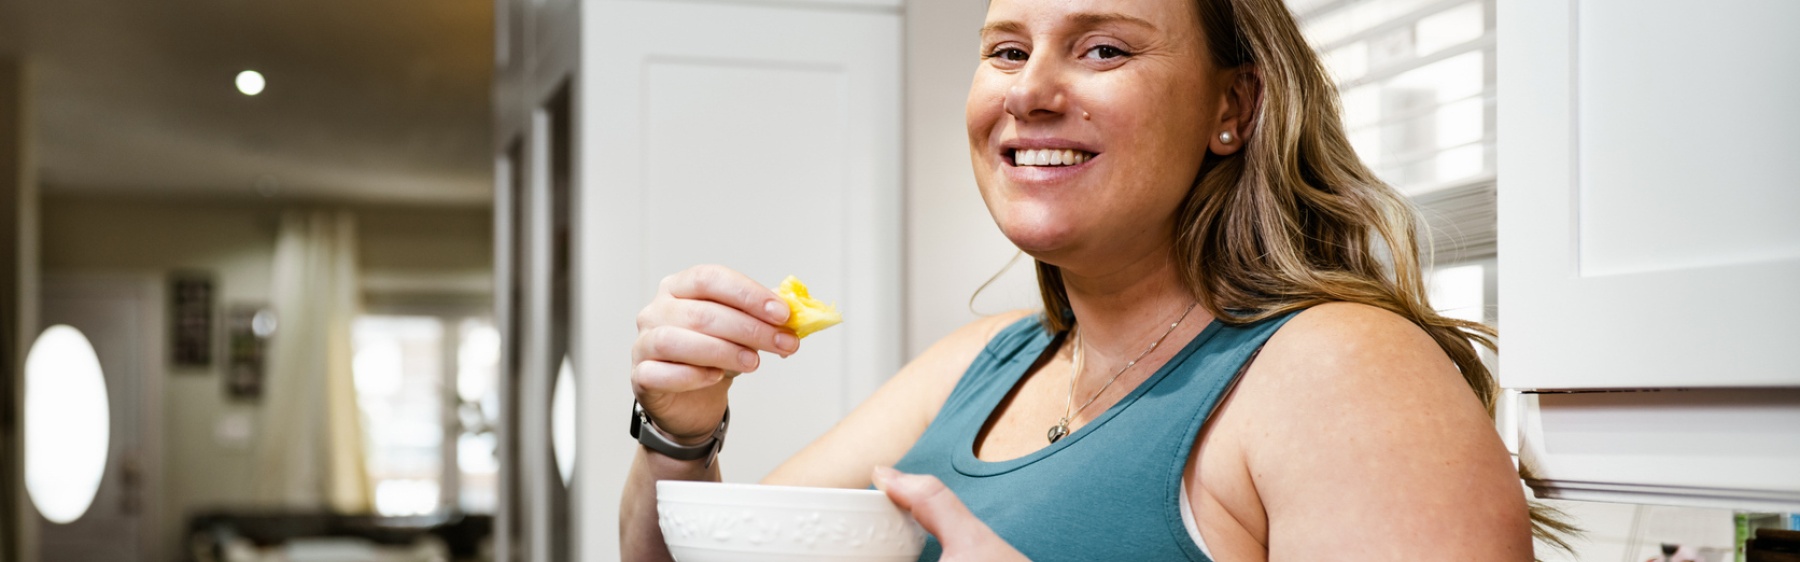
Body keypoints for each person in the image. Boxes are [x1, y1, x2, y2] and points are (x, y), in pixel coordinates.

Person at [621, 0, 1569, 559]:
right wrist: (678, 426)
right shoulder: (980, 362)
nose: (1028, 90)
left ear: (1232, 106)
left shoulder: (1344, 372)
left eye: (1103, 47)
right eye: (1005, 49)